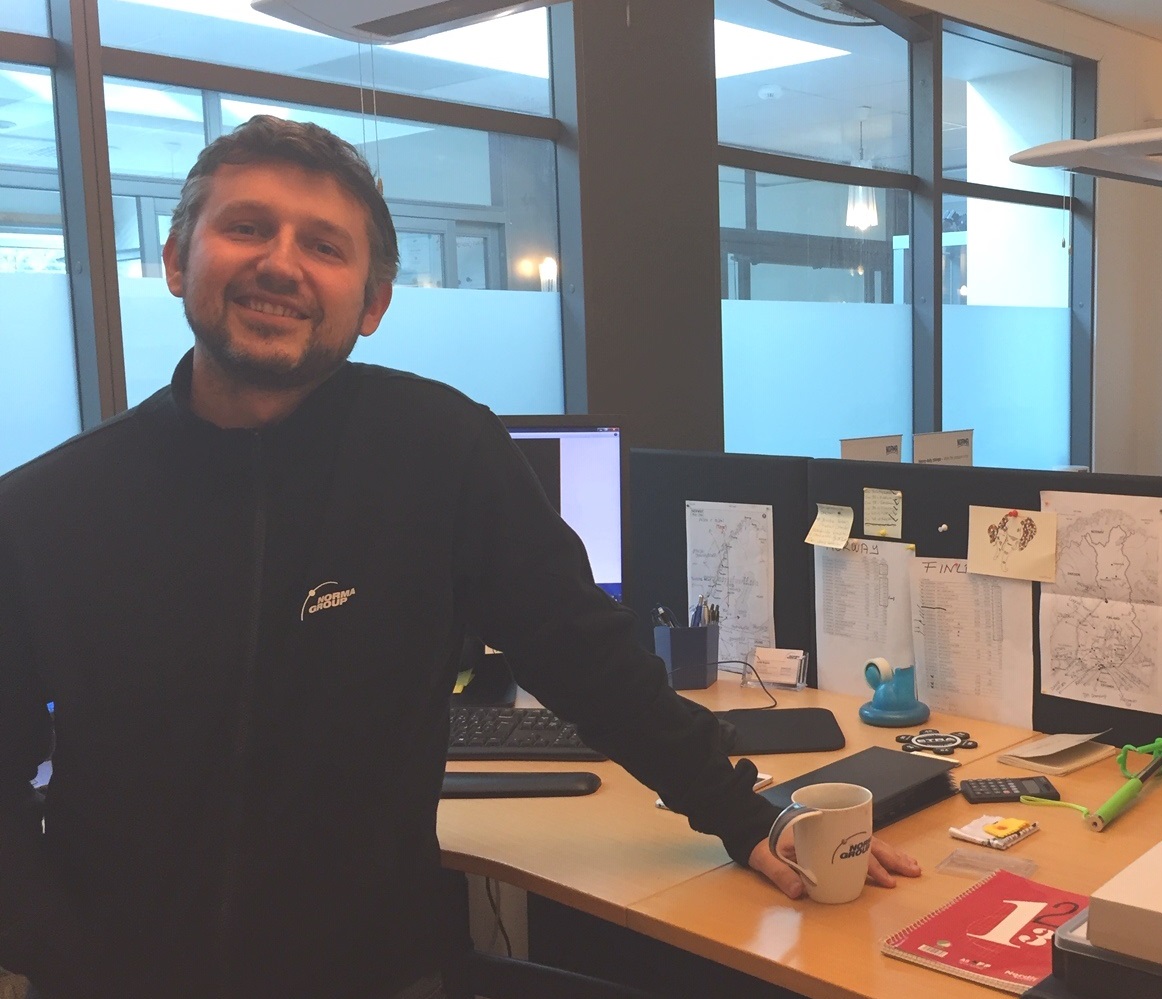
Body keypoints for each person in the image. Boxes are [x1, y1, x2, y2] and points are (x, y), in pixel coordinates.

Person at [0, 116, 919, 999]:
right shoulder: (49, 509)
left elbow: (585, 657)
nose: (280, 262)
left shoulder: (439, 454)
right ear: (175, 260)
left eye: (324, 245)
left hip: (377, 977)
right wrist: (64, 956)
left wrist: (745, 811)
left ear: (372, 302)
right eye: (246, 228)